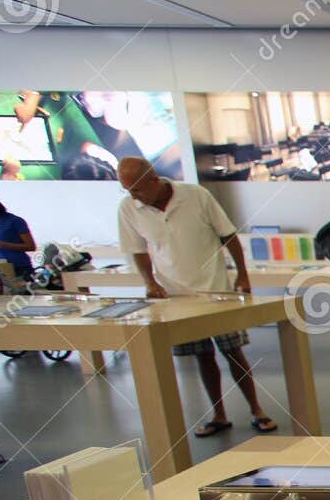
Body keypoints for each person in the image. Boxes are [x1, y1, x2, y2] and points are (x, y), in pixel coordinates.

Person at [116, 157, 276, 436]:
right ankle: (219, 414)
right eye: (128, 190)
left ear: (154, 179)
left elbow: (228, 234)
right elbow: (138, 250)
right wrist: (149, 282)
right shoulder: (129, 208)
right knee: (202, 356)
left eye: (138, 189)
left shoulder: (196, 195)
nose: (134, 196)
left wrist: (242, 274)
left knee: (233, 351)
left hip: (216, 290)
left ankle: (256, 409)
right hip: (177, 296)